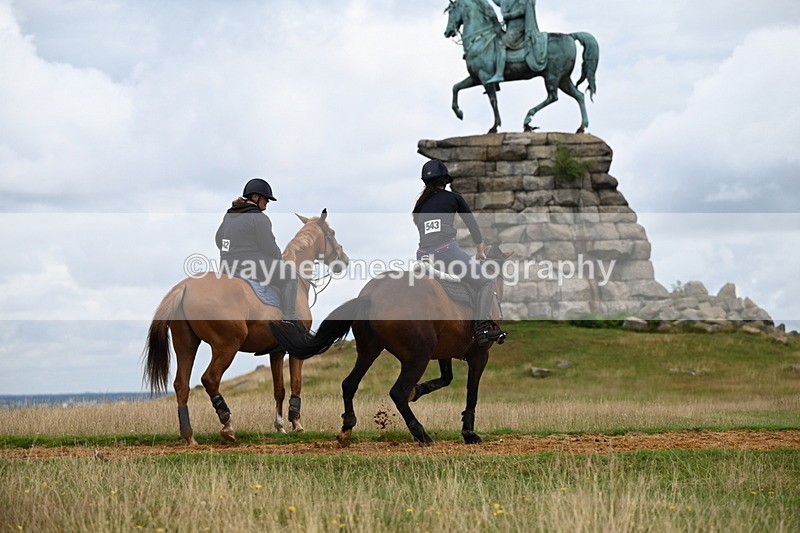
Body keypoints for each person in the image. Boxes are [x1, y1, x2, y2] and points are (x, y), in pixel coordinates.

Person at [413, 159, 508, 346]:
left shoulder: (420, 205)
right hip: (447, 253)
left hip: (422, 255)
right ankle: (481, 330)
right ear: (445, 181)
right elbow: (472, 225)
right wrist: (480, 251)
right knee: (486, 282)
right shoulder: (453, 198)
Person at [215, 178, 299, 324]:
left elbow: (218, 240)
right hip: (251, 265)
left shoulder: (229, 216)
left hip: (226, 266)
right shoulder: (259, 218)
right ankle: (289, 318)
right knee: (290, 274)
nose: (267, 202)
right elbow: (269, 247)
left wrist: (232, 250)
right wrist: (279, 258)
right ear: (255, 197)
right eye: (266, 199)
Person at [486, 0, 546, 84]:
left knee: (501, 44)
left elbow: (522, 10)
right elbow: (499, 2)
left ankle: (499, 74)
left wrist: (509, 16)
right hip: (510, 29)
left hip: (518, 28)